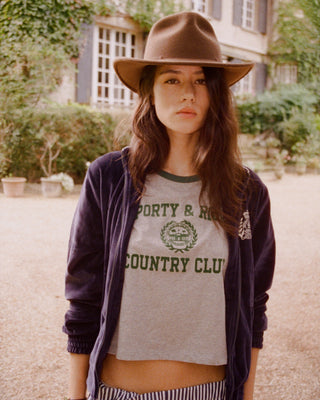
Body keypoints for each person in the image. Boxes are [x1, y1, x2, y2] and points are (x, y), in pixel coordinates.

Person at [63, 11, 275, 400]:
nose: (188, 94)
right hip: (117, 391)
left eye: (200, 80)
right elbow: (83, 295)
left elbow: (253, 305)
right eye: (172, 79)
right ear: (149, 90)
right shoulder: (109, 178)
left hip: (208, 391)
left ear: (216, 93)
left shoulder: (246, 191)